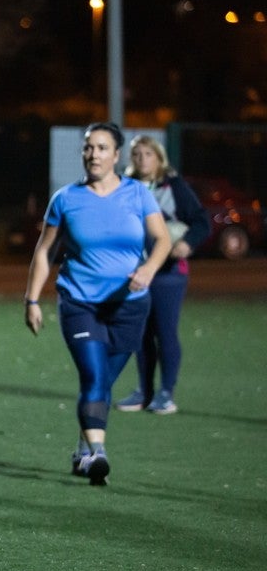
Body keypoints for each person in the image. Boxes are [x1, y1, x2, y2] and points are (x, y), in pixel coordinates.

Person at [24, 122, 171, 486]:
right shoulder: (66, 199)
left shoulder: (138, 194)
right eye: (89, 148)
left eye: (102, 148)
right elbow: (44, 252)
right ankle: (98, 455)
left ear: (117, 156)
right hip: (80, 303)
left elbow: (163, 240)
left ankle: (84, 446)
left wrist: (149, 269)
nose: (94, 155)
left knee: (103, 383)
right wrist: (32, 299)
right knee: (92, 376)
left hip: (130, 306)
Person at [115, 135, 209, 415]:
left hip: (169, 273)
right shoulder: (126, 187)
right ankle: (144, 391)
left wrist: (187, 243)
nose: (143, 159)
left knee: (165, 332)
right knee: (141, 333)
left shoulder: (175, 186)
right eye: (138, 155)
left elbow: (201, 222)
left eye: (148, 154)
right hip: (137, 272)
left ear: (159, 157)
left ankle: (166, 393)